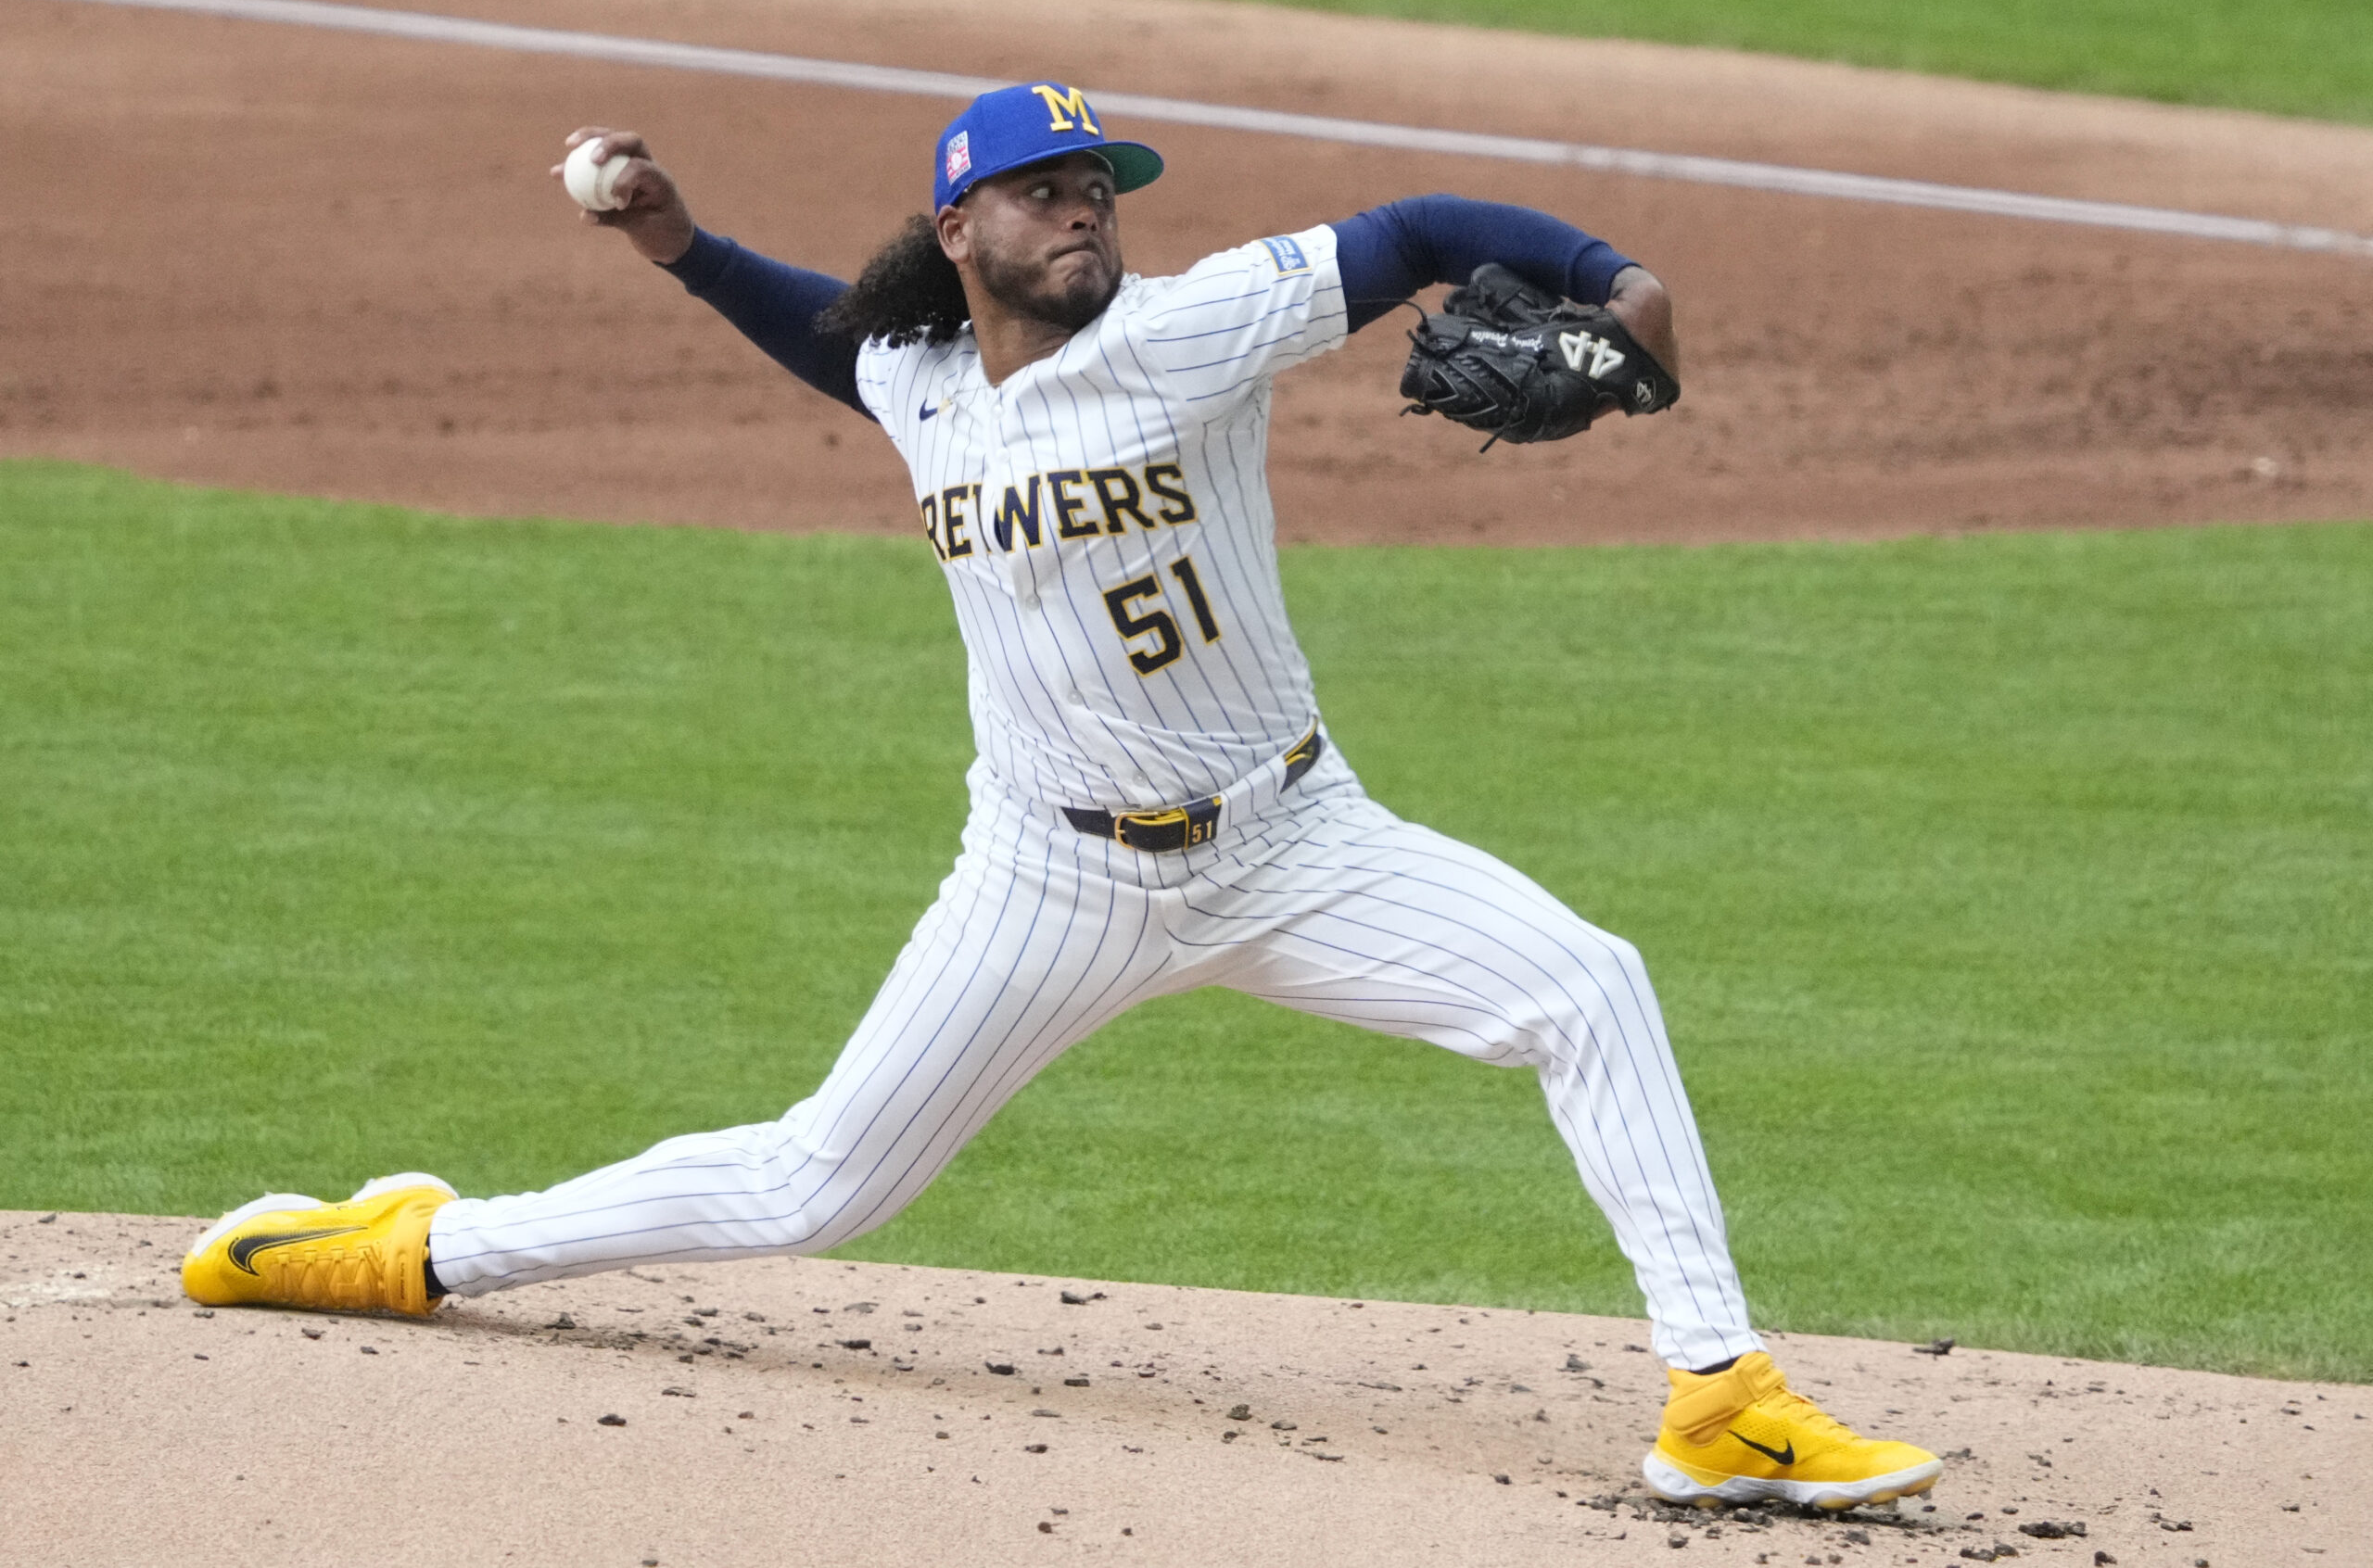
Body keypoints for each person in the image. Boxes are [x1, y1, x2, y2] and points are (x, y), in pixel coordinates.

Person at [184, 82, 1940, 1511]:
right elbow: (830, 339)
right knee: (817, 1188)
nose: (1084, 208)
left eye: (1098, 186)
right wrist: (685, 247)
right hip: (1048, 883)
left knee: (1591, 986)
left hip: (1298, 844)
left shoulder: (1199, 331)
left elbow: (1412, 237)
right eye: (1041, 190)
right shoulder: (921, 380)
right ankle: (415, 1252)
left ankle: (1722, 1399)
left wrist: (1612, 273)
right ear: (960, 231)